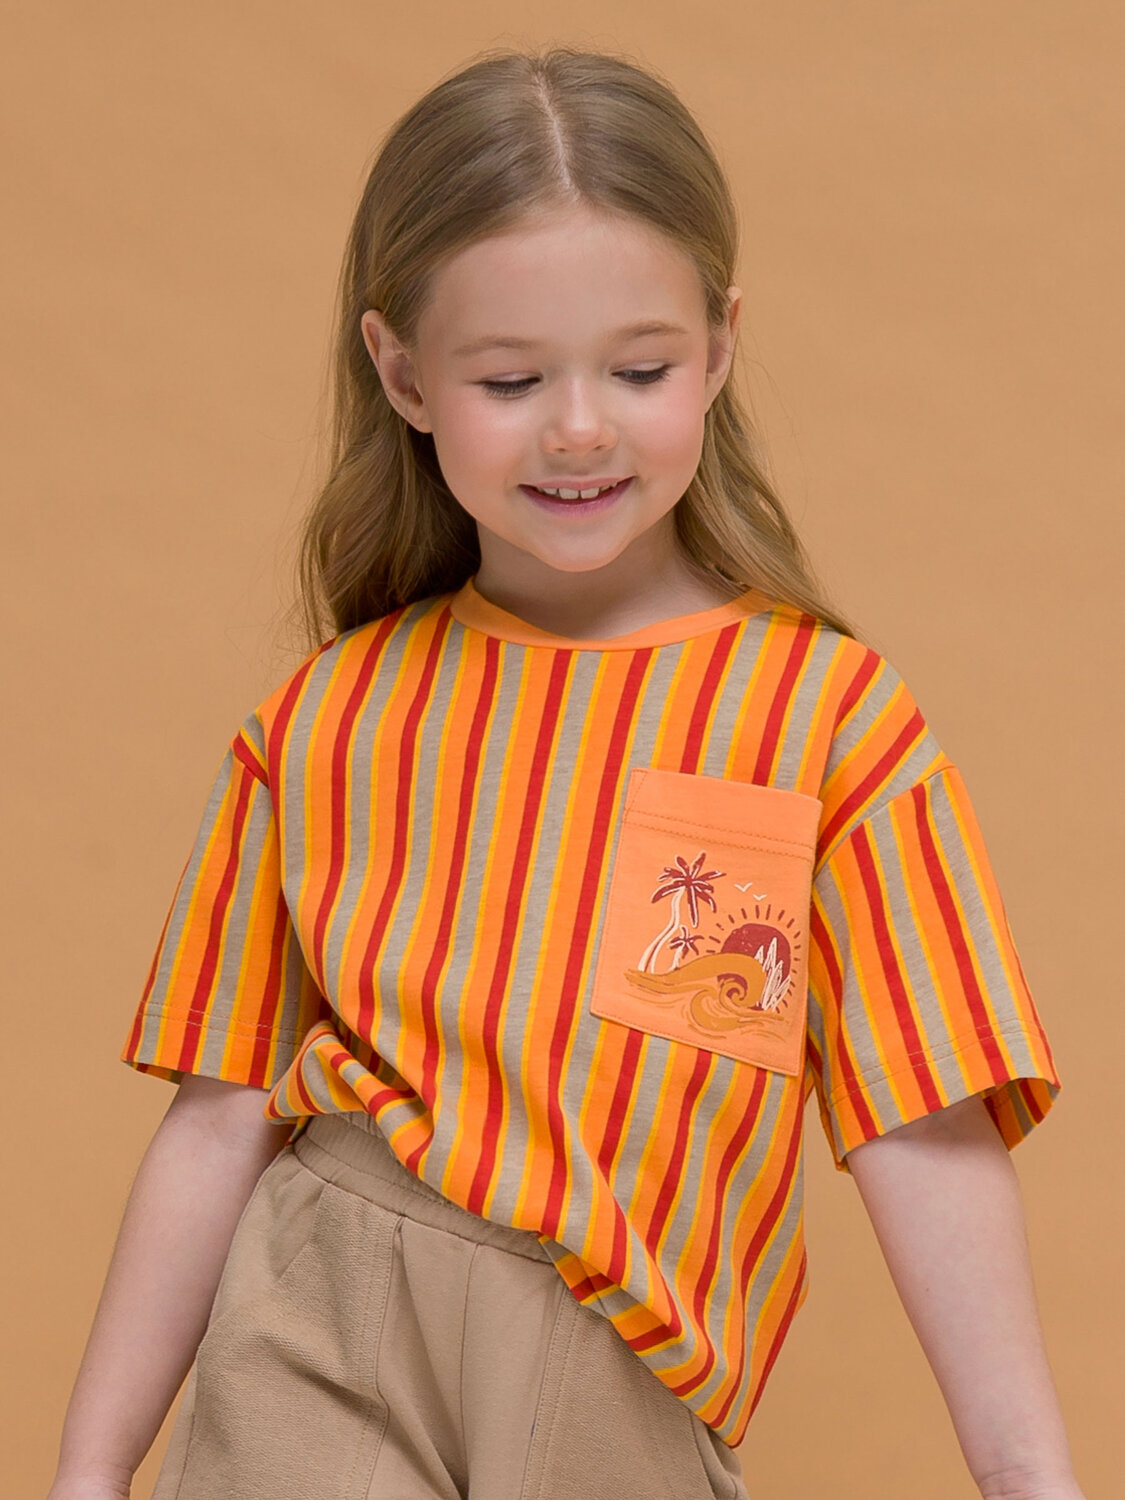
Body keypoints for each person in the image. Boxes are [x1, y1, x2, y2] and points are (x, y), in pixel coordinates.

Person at [47, 43, 1085, 1500]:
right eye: (511, 377)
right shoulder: (325, 718)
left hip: (621, 1367)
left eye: (639, 368)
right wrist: (88, 1474)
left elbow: (923, 1119)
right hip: (320, 1313)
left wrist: (1029, 1475)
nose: (580, 425)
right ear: (403, 374)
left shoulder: (828, 720)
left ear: (719, 347)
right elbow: (218, 1114)